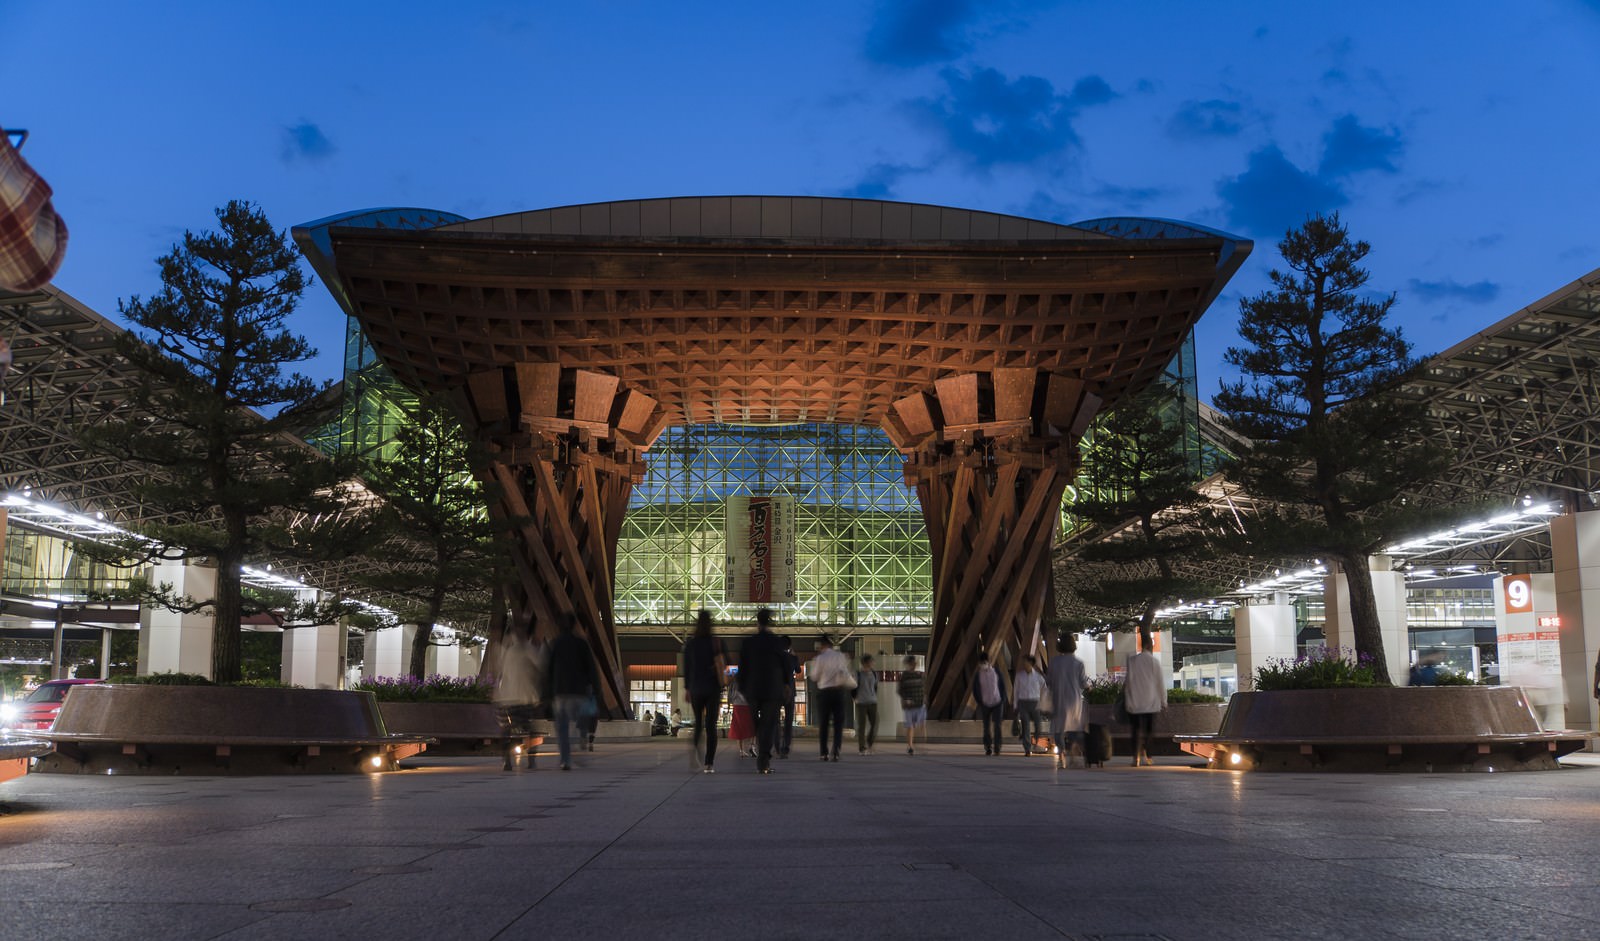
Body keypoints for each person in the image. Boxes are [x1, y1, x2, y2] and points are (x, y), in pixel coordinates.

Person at [738, 607, 791, 774]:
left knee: (758, 724)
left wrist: (743, 688)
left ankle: (762, 755)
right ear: (770, 622)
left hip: (753, 690)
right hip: (772, 690)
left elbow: (742, 668)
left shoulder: (748, 642)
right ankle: (764, 761)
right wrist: (786, 685)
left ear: (757, 622)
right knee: (769, 724)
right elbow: (785, 666)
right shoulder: (776, 642)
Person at [543, 612, 598, 771]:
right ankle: (577, 751)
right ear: (574, 625)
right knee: (577, 725)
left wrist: (547, 693)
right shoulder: (581, 644)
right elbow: (591, 668)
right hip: (578, 692)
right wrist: (595, 688)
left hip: (561, 693)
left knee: (562, 728)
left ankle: (565, 759)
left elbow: (549, 670)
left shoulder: (556, 644)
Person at [682, 611, 726, 770]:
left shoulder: (691, 644)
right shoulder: (716, 642)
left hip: (696, 688)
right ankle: (709, 763)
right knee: (711, 725)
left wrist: (687, 688)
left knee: (699, 724)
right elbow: (726, 663)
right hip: (713, 687)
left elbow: (686, 668)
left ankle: (695, 754)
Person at [809, 634, 854, 761]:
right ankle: (836, 751)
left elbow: (814, 677)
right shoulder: (840, 656)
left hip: (824, 693)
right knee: (838, 724)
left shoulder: (820, 658)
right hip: (839, 692)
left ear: (822, 645)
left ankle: (824, 753)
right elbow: (845, 672)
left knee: (823, 724)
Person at [1047, 633, 1088, 769]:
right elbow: (1083, 683)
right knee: (1074, 727)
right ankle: (1073, 750)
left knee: (1059, 728)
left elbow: (1049, 682)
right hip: (1074, 700)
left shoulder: (1054, 662)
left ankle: (1061, 754)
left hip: (1058, 698)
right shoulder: (1078, 663)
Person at [1123, 645, 1168, 767]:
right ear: (1150, 647)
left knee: (1135, 731)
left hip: (1135, 702)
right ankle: (1148, 756)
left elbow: (1128, 682)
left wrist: (1128, 700)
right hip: (1151, 702)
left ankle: (1135, 758)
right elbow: (1160, 683)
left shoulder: (1132, 661)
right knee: (1149, 731)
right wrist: (1164, 701)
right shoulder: (1154, 662)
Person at [971, 651, 1007, 756]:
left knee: (997, 726)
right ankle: (988, 747)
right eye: (981, 663)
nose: (982, 665)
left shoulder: (996, 672)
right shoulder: (978, 675)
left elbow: (1002, 686)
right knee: (986, 727)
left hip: (997, 702)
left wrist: (1003, 699)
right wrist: (980, 701)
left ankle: (997, 747)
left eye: (984, 662)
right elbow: (975, 689)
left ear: (988, 661)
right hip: (985, 703)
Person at [1013, 655, 1045, 756]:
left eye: (1026, 662)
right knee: (1025, 726)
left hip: (1035, 702)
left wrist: (1043, 701)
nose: (1024, 664)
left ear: (1031, 663)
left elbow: (1044, 688)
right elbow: (1016, 691)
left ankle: (1036, 740)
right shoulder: (1019, 675)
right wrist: (1015, 705)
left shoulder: (1038, 677)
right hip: (1023, 702)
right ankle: (1027, 749)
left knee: (1038, 725)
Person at [899, 655, 926, 755]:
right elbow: (901, 690)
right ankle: (910, 746)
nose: (913, 665)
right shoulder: (904, 676)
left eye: (914, 664)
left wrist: (923, 700)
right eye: (911, 664)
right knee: (910, 726)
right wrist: (905, 700)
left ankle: (918, 744)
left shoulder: (919, 675)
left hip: (919, 704)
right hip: (909, 705)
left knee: (919, 725)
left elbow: (922, 689)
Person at [777, 635, 799, 758]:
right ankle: (786, 746)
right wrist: (795, 656)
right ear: (789, 646)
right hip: (790, 690)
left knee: (775, 719)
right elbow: (798, 670)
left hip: (778, 691)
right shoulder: (792, 657)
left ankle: (776, 744)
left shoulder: (775, 658)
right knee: (788, 720)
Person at [854, 653, 879, 754]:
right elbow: (853, 687)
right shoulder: (858, 674)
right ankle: (862, 747)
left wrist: (874, 696)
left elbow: (875, 687)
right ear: (865, 663)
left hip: (873, 701)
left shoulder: (875, 673)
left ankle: (869, 742)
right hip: (861, 702)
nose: (873, 663)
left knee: (875, 723)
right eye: (871, 661)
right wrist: (854, 697)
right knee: (862, 726)